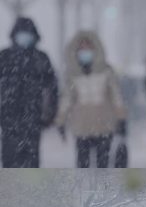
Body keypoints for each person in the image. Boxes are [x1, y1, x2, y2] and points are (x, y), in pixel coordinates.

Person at [55, 31, 126, 168]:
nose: (85, 52)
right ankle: (85, 189)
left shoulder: (106, 71)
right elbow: (67, 99)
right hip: (82, 126)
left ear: (95, 49)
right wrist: (61, 121)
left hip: (104, 124)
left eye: (88, 48)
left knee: (102, 164)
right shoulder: (72, 74)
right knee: (83, 165)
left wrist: (121, 117)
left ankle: (101, 188)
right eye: (82, 49)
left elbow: (116, 96)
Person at [0, 17, 59, 167]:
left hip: (33, 120)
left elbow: (52, 89)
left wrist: (49, 115)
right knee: (10, 161)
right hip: (8, 121)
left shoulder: (41, 58)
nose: (25, 36)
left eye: (28, 32)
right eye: (22, 32)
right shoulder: (4, 57)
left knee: (31, 163)